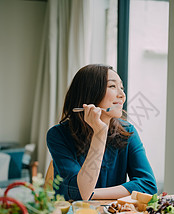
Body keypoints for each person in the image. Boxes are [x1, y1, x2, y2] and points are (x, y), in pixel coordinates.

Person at [46, 64, 157, 201]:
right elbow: (79, 193)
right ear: (90, 92)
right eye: (112, 86)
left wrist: (93, 193)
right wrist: (100, 133)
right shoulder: (58, 135)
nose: (122, 95)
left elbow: (148, 185)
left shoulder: (127, 132)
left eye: (121, 88)